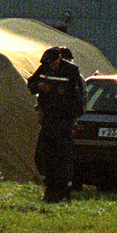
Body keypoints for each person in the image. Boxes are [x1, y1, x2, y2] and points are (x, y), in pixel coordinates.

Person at [27, 46, 85, 203]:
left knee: (62, 157)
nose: (51, 67)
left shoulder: (71, 71)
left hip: (64, 120)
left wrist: (70, 117)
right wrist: (39, 86)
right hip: (48, 119)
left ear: (59, 58)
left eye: (53, 63)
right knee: (43, 155)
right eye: (49, 65)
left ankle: (62, 191)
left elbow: (77, 98)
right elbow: (31, 83)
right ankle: (49, 187)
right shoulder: (44, 68)